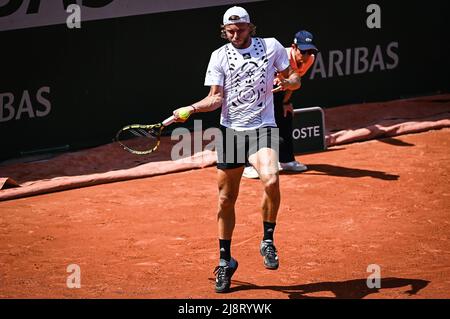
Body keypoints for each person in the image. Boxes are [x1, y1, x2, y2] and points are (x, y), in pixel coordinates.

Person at [171, 6, 301, 293]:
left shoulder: (271, 47)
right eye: (230, 31)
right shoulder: (219, 56)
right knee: (226, 199)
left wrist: (288, 81)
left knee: (271, 177)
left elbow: (294, 78)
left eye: (240, 29)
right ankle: (225, 260)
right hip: (231, 132)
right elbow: (215, 99)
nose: (235, 35)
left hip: (262, 126)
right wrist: (190, 109)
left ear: (250, 27)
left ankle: (267, 239)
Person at [243, 30, 318, 179]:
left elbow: (292, 82)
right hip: (255, 88)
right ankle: (248, 165)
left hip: (277, 89)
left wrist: (286, 102)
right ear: (294, 47)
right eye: (303, 51)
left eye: (310, 51)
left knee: (285, 117)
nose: (306, 55)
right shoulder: (280, 55)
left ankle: (286, 160)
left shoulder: (310, 59)